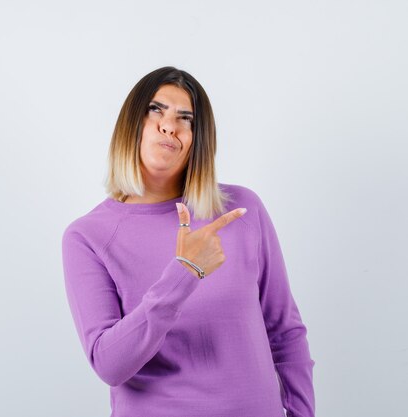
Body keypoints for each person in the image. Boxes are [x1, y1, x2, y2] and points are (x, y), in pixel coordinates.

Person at [61, 66, 315, 417]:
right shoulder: (88, 237)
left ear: (199, 139)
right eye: (156, 110)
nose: (170, 125)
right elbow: (109, 365)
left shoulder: (242, 210)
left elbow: (285, 333)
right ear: (130, 123)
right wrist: (185, 273)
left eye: (186, 118)